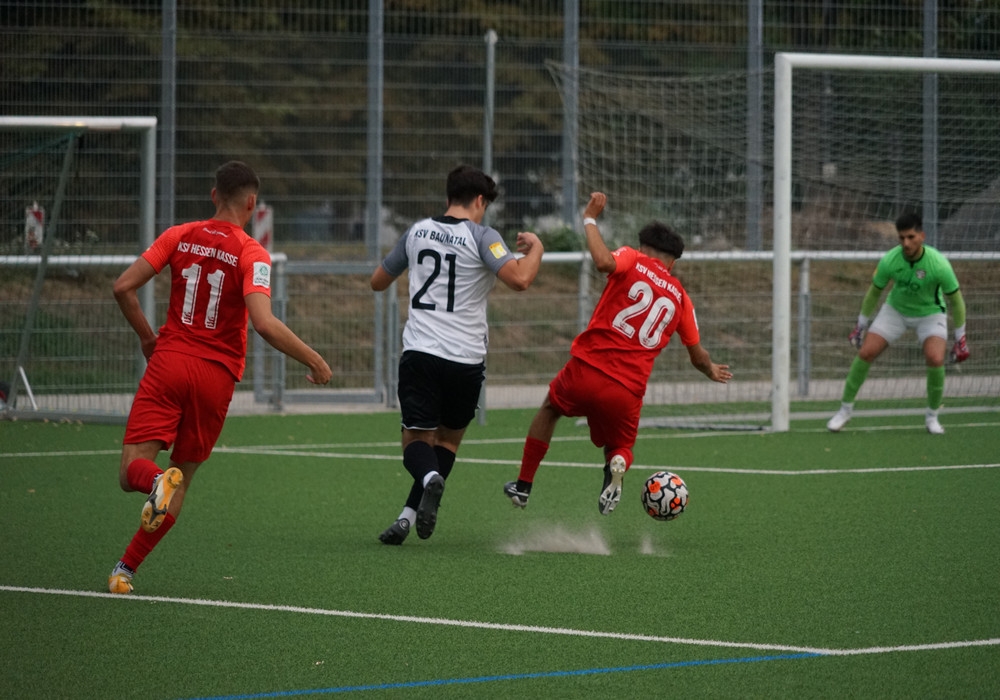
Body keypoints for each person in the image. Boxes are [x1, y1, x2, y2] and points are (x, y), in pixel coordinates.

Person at [107, 161, 332, 594]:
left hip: (169, 363)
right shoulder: (252, 252)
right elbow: (263, 323)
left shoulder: (178, 235)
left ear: (214, 195)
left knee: (130, 470)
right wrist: (314, 360)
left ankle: (152, 482)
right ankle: (125, 570)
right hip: (216, 378)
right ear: (252, 203)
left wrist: (148, 337)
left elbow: (122, 287)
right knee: (181, 480)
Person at [503, 192, 732, 514]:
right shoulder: (681, 298)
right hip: (627, 389)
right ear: (673, 262)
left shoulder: (633, 258)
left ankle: (523, 485)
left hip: (587, 369)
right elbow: (697, 355)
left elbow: (602, 262)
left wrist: (589, 219)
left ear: (643, 247)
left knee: (550, 408)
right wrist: (711, 370)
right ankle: (618, 463)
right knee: (621, 444)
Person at [372, 164, 544, 545]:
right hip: (466, 360)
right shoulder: (482, 236)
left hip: (421, 352)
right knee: (447, 443)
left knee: (416, 443)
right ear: (479, 201)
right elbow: (520, 279)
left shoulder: (417, 231)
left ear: (449, 195)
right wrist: (538, 250)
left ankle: (427, 483)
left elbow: (378, 281)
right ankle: (406, 517)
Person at [826, 210, 968, 435]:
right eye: (902, 238)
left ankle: (932, 416)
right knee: (866, 353)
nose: (906, 243)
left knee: (935, 358)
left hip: (930, 314)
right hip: (896, 311)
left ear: (922, 236)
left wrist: (961, 337)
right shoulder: (890, 260)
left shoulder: (939, 264)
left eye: (911, 237)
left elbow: (956, 301)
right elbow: (874, 293)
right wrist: (860, 325)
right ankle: (844, 411)